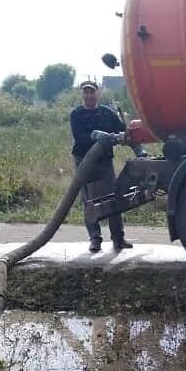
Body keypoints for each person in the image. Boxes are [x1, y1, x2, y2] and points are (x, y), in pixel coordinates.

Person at [70, 81, 132, 253]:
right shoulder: (76, 114)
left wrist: (126, 131)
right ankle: (95, 239)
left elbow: (122, 132)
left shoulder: (107, 113)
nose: (89, 96)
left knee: (113, 198)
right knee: (89, 201)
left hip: (104, 161)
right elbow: (79, 137)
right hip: (83, 160)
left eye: (92, 92)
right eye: (86, 92)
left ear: (98, 93)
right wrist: (96, 135)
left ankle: (118, 239)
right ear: (82, 95)